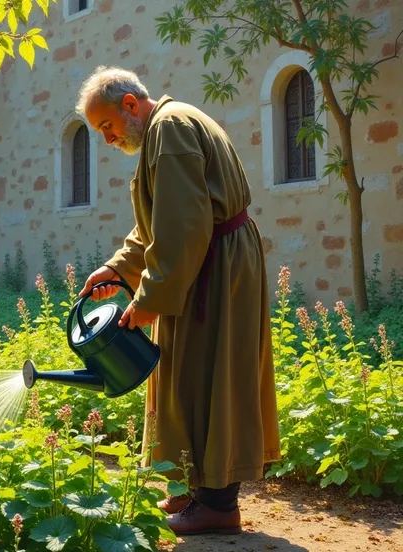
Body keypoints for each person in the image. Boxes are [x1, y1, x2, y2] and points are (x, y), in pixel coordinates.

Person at [74, 66, 281, 536]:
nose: (106, 140)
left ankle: (218, 504)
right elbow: (159, 222)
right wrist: (118, 268)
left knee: (211, 372)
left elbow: (184, 226)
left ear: (130, 105)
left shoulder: (170, 129)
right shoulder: (164, 132)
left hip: (213, 265)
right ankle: (193, 490)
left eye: (106, 127)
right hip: (204, 262)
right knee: (184, 371)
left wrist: (150, 297)